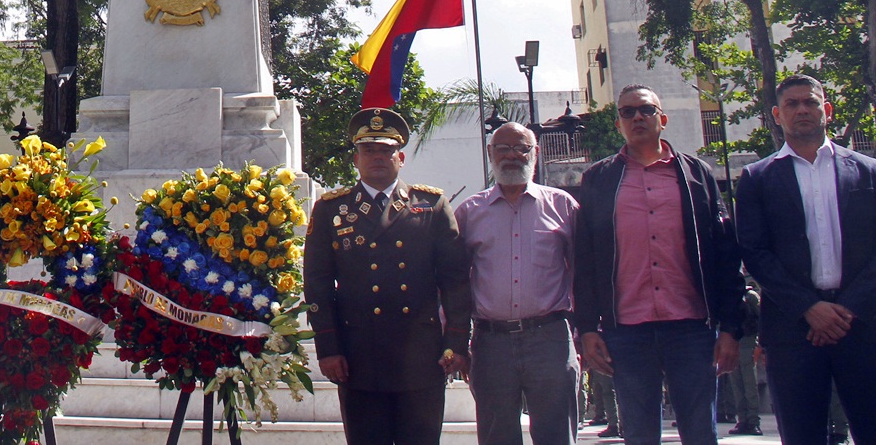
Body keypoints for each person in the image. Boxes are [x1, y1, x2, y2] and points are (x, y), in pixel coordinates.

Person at [574, 84, 744, 445]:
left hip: (692, 329)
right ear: (619, 123)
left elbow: (726, 256)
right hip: (627, 331)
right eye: (627, 112)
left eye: (646, 110)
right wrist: (587, 328)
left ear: (662, 119)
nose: (637, 117)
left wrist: (731, 327)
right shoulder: (598, 181)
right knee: (638, 434)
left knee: (700, 433)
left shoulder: (697, 176)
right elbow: (585, 260)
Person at [304, 107, 472, 445]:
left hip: (421, 356)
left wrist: (456, 342)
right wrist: (328, 346)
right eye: (368, 150)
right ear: (356, 158)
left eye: (385, 150)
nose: (377, 157)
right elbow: (318, 286)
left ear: (401, 157)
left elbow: (455, 280)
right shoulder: (331, 210)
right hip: (359, 356)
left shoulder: (431, 206)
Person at [734, 74, 876, 445]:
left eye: (810, 102)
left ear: (826, 110)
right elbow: (754, 251)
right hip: (793, 330)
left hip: (862, 326)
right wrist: (809, 307)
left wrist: (845, 309)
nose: (802, 110)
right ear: (776, 115)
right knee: (801, 435)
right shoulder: (757, 178)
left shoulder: (867, 171)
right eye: (792, 104)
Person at [455, 122, 581, 445]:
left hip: (550, 340)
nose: (512, 156)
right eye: (503, 149)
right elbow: (453, 282)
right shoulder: (469, 212)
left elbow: (583, 273)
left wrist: (586, 331)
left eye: (521, 148)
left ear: (535, 154)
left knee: (557, 437)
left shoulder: (563, 207)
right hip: (491, 344)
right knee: (497, 438)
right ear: (490, 153)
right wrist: (454, 341)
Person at [726, 280, 763, 435]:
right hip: (733, 342)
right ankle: (742, 420)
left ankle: (753, 421)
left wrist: (761, 343)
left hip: (748, 343)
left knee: (749, 384)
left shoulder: (751, 296)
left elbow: (761, 319)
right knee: (737, 385)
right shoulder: (728, 294)